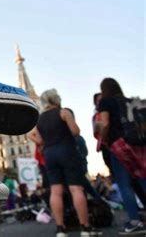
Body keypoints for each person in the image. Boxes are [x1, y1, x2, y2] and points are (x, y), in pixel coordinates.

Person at [28, 89, 101, 237]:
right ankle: (85, 227)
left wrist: (41, 142)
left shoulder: (40, 119)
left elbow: (31, 134)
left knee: (55, 191)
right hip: (67, 151)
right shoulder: (63, 112)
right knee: (76, 189)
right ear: (56, 99)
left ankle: (61, 228)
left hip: (49, 154)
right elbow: (75, 131)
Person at [98, 78, 146, 234]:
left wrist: (104, 139)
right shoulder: (127, 100)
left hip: (119, 144)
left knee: (124, 184)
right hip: (137, 143)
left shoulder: (105, 101)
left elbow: (105, 123)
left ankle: (134, 221)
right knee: (142, 178)